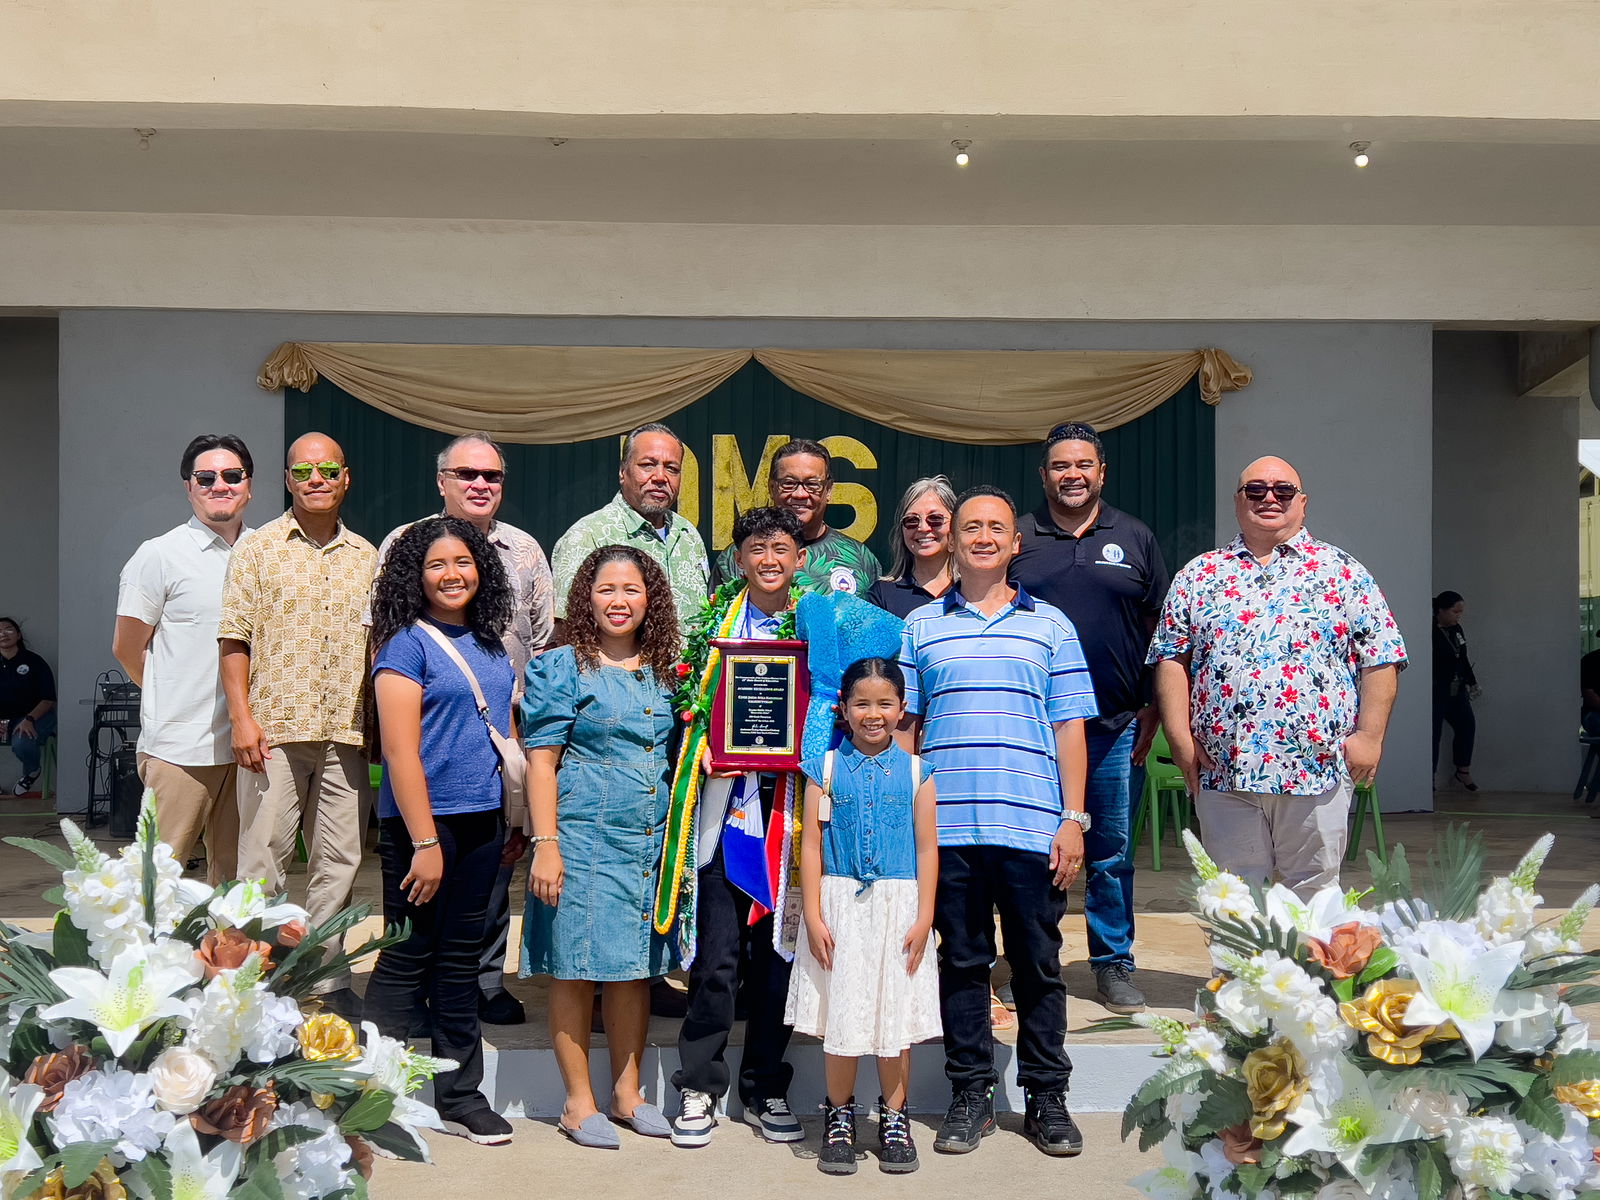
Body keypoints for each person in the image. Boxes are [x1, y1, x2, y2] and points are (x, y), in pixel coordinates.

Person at [899, 486, 1098, 1159]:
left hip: (1031, 827)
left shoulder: (1052, 625)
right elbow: (907, 731)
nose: (983, 536)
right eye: (970, 527)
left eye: (997, 528)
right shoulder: (920, 628)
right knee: (961, 964)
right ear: (952, 541)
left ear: (1016, 544)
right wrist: (905, 817)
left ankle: (1047, 1098)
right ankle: (970, 1094)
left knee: (1039, 967)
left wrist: (1072, 819)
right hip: (947, 830)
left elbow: (1071, 728)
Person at [1149, 456, 1406, 895]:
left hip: (1314, 766)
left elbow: (1381, 654)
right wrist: (1178, 738)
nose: (1270, 498)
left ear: (1302, 503)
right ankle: (1236, 969)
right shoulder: (1200, 574)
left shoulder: (1342, 572)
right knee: (1232, 893)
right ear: (1237, 501)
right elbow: (1171, 657)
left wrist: (1370, 736)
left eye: (1283, 490)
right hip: (1224, 768)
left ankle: (1307, 969)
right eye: (1256, 490)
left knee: (1314, 889)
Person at [371, 431, 555, 1027]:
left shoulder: (525, 551)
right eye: (467, 474)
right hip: (429, 744)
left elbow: (543, 643)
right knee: (416, 929)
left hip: (500, 746)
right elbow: (386, 642)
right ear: (442, 480)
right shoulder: (402, 547)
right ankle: (406, 1021)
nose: (481, 485)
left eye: (492, 476)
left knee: (488, 892)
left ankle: (482, 984)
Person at [521, 545, 681, 1149]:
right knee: (575, 967)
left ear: (651, 599)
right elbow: (541, 763)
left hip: (648, 840)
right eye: (606, 589)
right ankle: (577, 1100)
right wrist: (546, 844)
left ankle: (627, 1094)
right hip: (580, 836)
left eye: (632, 590)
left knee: (632, 969)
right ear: (586, 597)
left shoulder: (669, 670)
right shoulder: (561, 667)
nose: (619, 601)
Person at [364, 516, 516, 1147]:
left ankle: (460, 1095)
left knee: (459, 963)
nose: (452, 575)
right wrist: (426, 844)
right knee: (407, 957)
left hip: (483, 823)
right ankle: (374, 1096)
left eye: (463, 563)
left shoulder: (490, 643)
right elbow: (399, 754)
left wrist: (512, 821)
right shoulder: (404, 644)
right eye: (436, 565)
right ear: (414, 576)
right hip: (421, 828)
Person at [218, 432, 378, 1021]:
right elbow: (234, 639)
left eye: (328, 468)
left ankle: (326, 980)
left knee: (339, 862)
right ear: (288, 480)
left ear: (345, 478)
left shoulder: (367, 557)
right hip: (273, 733)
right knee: (263, 858)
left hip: (346, 731)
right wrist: (241, 717)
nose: (316, 478)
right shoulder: (257, 550)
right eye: (303, 469)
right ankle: (251, 983)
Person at [1011, 422, 1169, 1015]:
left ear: (1101, 472)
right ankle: (1037, 961)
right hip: (1032, 732)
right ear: (1044, 475)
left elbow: (1163, 630)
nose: (1071, 475)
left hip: (1113, 726)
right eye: (1059, 466)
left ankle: (1112, 962)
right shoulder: (1019, 538)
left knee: (1108, 853)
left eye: (1082, 465)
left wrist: (1153, 703)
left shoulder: (1135, 537)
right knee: (1033, 854)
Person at [667, 507, 808, 1149]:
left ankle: (766, 1087)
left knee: (775, 959)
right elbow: (685, 720)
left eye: (782, 547)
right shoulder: (709, 631)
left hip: (787, 818)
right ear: (739, 560)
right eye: (757, 548)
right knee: (716, 962)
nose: (770, 559)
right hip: (723, 818)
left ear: (800, 558)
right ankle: (699, 1085)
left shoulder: (819, 627)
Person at [787, 657, 939, 1176]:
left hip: (899, 910)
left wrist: (925, 918)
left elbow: (926, 850)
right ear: (844, 709)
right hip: (839, 907)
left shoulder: (918, 772)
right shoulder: (824, 770)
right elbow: (809, 844)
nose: (873, 714)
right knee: (844, 1015)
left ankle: (895, 1118)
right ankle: (839, 1116)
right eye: (861, 703)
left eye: (884, 703)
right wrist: (811, 912)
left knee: (891, 1018)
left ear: (902, 709)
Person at [113, 434, 254, 882]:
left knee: (237, 884)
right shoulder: (158, 555)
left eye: (232, 476)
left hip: (252, 748)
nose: (220, 485)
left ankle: (228, 956)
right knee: (157, 878)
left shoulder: (266, 552)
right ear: (188, 486)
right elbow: (127, 648)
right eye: (206, 477)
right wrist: (169, 698)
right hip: (180, 748)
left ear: (249, 486)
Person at [551, 423, 710, 636]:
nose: (660, 477)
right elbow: (569, 630)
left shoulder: (688, 535)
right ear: (622, 472)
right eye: (647, 465)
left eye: (671, 468)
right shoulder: (588, 536)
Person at [714, 439, 883, 597]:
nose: (800, 494)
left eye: (812, 484)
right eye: (788, 483)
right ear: (772, 488)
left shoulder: (860, 558)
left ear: (829, 490)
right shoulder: (739, 556)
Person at [866, 476, 957, 619]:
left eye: (935, 519)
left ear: (955, 524)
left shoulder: (973, 591)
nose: (923, 528)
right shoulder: (883, 595)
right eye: (911, 521)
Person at [0, 618, 55, 797]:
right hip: (4, 720)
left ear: (18, 635)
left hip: (36, 716)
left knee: (22, 740)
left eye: (8, 629)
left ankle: (31, 771)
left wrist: (29, 719)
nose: (3, 634)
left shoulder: (34, 662)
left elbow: (48, 699)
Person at [1431, 590, 1478, 792]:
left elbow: (1463, 656)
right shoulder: (1431, 630)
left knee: (1467, 724)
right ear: (1440, 610)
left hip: (1456, 687)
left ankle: (1463, 769)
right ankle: (1429, 776)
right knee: (1434, 733)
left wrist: (1472, 681)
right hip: (1437, 687)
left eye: (1460, 612)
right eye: (1454, 611)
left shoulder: (1457, 629)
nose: (1458, 616)